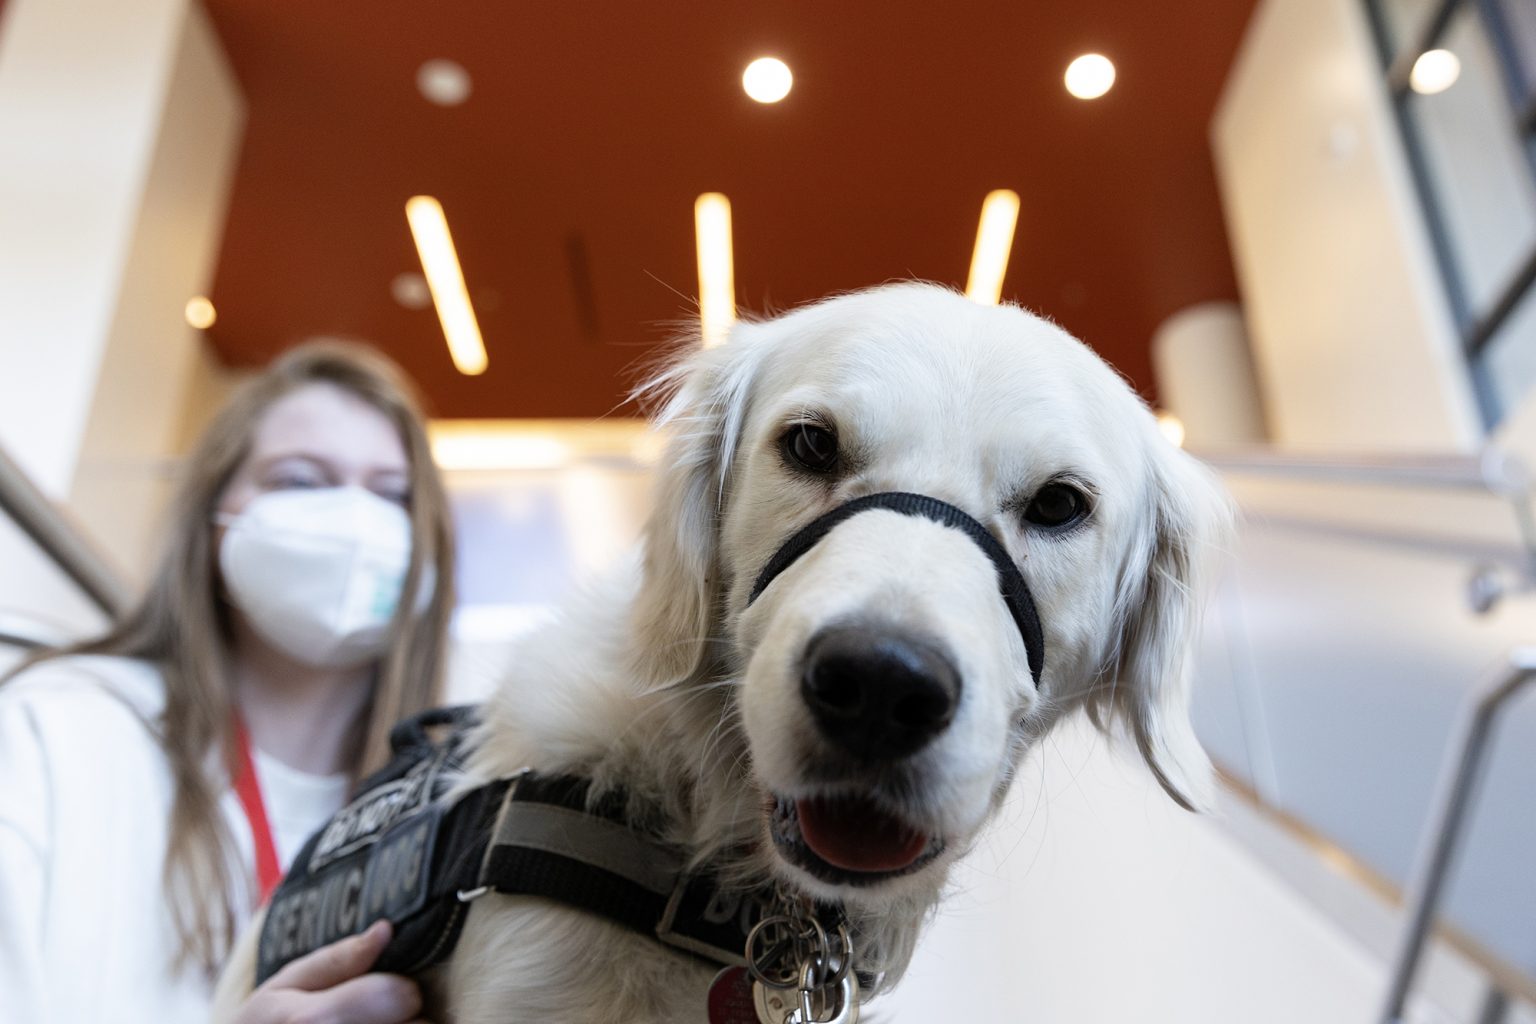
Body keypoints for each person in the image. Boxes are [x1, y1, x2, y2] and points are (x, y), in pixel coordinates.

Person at [0, 343, 456, 1023]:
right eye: (301, 481)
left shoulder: (449, 811)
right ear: (213, 519)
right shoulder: (54, 732)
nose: (356, 525)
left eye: (393, 496)